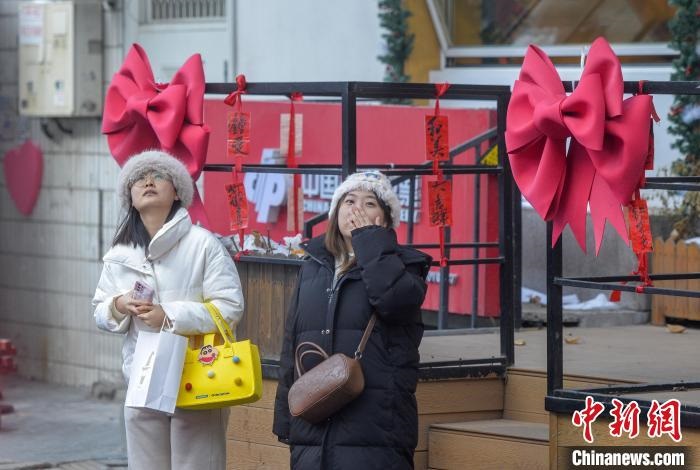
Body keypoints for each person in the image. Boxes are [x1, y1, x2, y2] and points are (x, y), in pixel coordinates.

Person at [93, 150, 244, 470]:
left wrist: (169, 315)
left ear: (177, 191)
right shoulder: (119, 254)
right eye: (137, 179)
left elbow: (230, 307)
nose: (147, 181)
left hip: (197, 375)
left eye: (158, 176)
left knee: (197, 464)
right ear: (130, 199)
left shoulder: (203, 244)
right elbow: (100, 311)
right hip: (141, 378)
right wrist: (119, 305)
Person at [273, 170, 432, 469]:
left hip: (376, 425)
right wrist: (286, 417)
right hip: (314, 422)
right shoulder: (312, 266)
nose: (356, 208)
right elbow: (291, 343)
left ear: (384, 220)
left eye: (369, 203)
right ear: (336, 213)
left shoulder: (407, 267)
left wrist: (368, 241)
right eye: (349, 200)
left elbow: (395, 302)